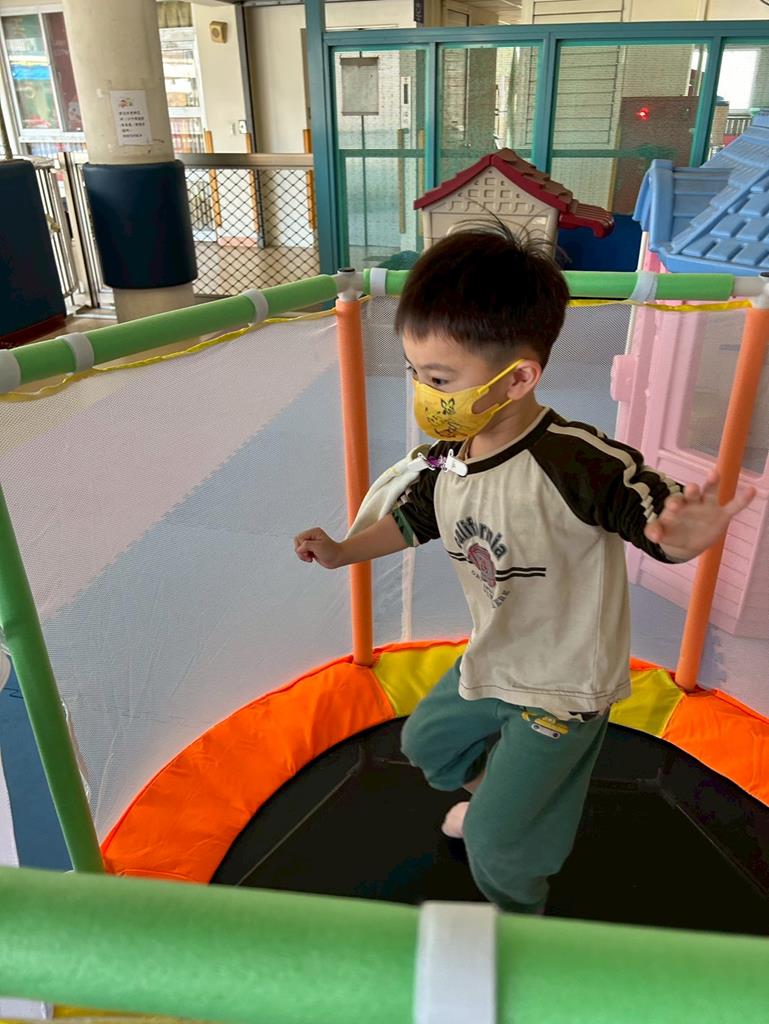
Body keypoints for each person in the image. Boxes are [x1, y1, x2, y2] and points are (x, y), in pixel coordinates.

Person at [294, 225, 755, 914]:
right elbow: (412, 520)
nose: (423, 392)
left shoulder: (576, 461)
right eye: (416, 373)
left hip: (561, 685)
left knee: (500, 850)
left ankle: (519, 915)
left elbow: (650, 515)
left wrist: (680, 538)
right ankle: (502, 803)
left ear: (517, 378)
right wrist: (341, 550)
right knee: (427, 744)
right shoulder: (448, 456)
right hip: (494, 657)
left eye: (439, 380)